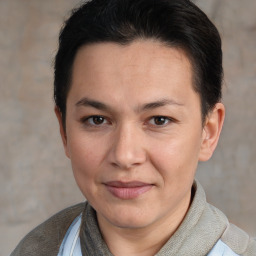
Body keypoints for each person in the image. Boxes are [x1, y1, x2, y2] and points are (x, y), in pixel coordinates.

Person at [11, 0, 256, 255]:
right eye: (97, 119)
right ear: (64, 131)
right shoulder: (35, 250)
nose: (125, 156)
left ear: (209, 131)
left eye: (159, 120)